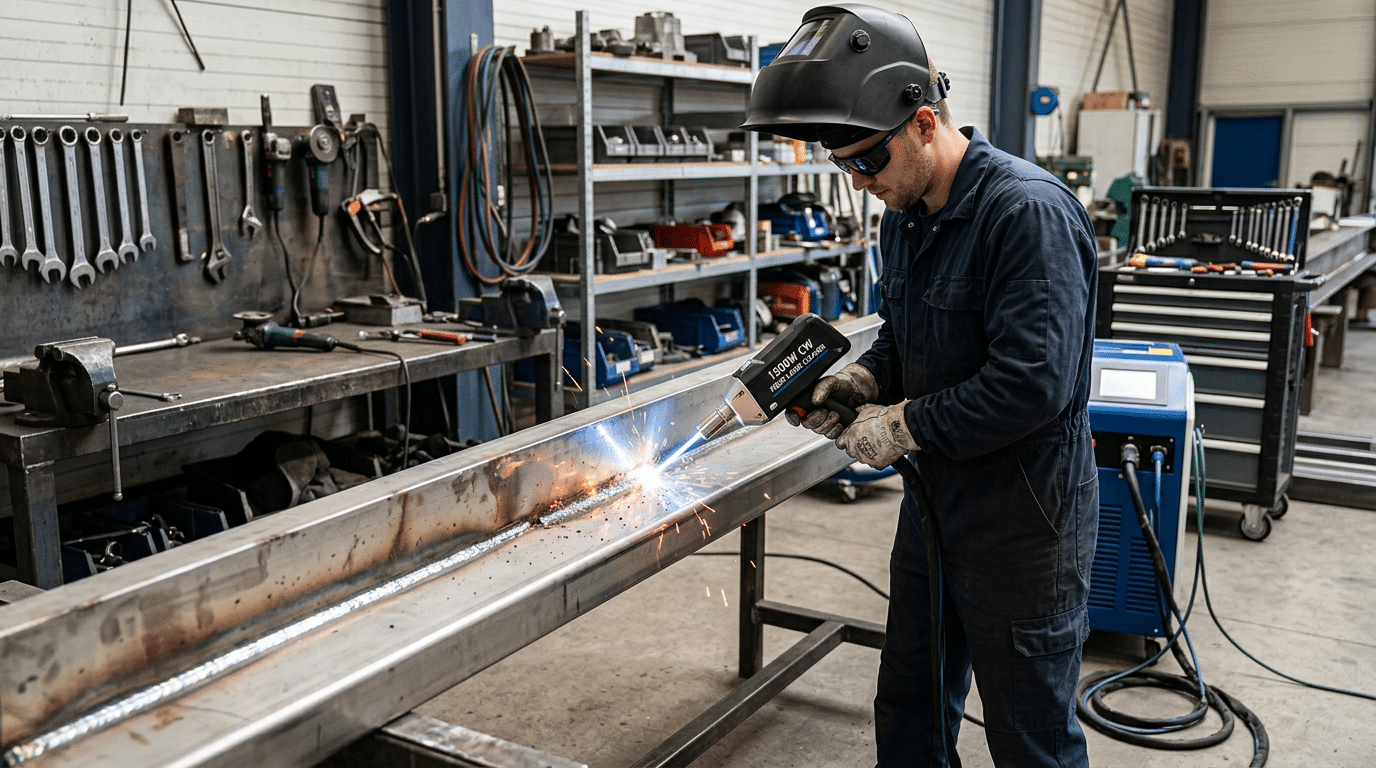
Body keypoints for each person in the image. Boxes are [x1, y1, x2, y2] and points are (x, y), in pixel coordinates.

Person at [743, 5, 1100, 767]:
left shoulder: (1026, 214)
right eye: (845, 168)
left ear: (926, 121)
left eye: (868, 162)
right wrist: (864, 380)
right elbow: (906, 337)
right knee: (909, 704)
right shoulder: (903, 215)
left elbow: (1031, 385)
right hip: (934, 506)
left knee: (1028, 734)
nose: (862, 183)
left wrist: (900, 427)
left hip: (1023, 521)